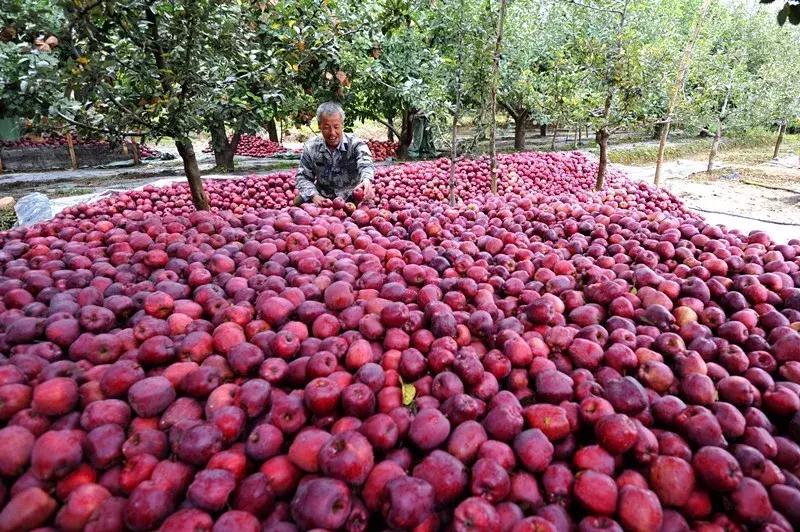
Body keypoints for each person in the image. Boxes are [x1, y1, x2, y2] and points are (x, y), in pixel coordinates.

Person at [295, 102, 375, 205]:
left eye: (336, 127)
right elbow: (303, 176)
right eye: (327, 127)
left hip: (352, 197)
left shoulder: (355, 143)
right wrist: (314, 195)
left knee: (368, 211)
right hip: (323, 198)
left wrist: (367, 180)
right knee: (297, 203)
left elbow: (366, 162)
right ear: (319, 126)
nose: (332, 133)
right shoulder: (311, 147)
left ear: (342, 125)